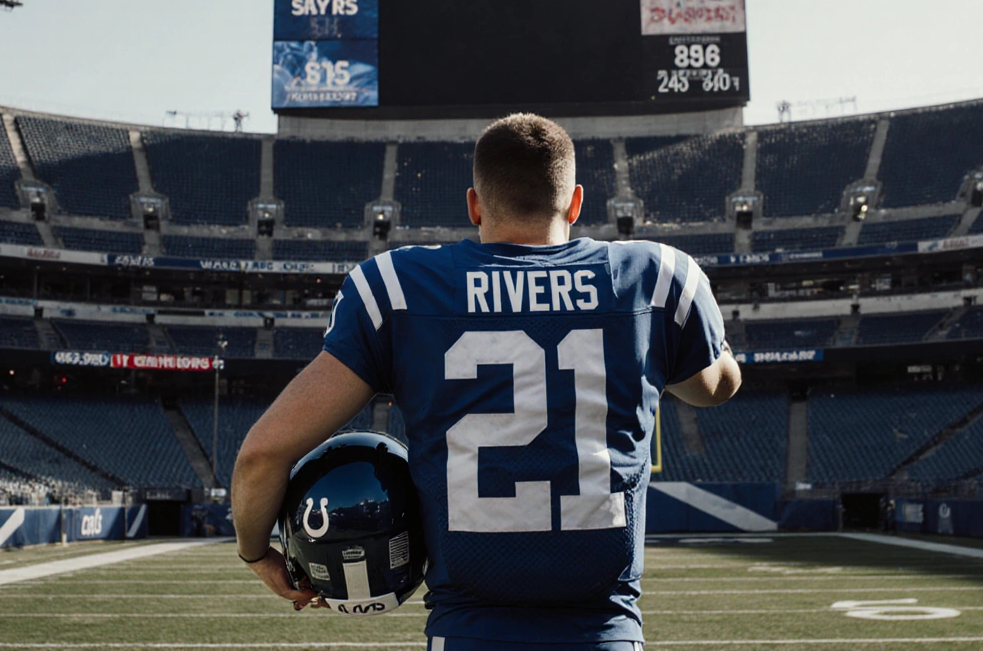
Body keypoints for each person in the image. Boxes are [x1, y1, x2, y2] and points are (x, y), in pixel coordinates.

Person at [234, 113, 741, 650]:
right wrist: (703, 344)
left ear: (475, 204)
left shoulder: (398, 289)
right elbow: (714, 386)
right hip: (604, 631)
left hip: (467, 632)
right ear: (575, 204)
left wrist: (255, 552)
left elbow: (261, 457)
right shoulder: (656, 279)